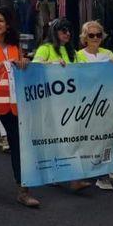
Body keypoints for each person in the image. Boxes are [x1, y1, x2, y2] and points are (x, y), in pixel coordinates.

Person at [0, 7, 38, 207]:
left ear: (8, 23)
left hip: (11, 102)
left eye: (0, 21)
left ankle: (23, 189)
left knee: (18, 145)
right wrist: (3, 64)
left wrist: (23, 63)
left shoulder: (15, 44)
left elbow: (19, 68)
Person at [33, 19, 94, 192]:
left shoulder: (72, 51)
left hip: (70, 102)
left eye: (69, 31)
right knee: (56, 139)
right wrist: (51, 65)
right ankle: (56, 173)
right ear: (55, 31)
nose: (67, 34)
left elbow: (84, 69)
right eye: (63, 30)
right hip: (51, 102)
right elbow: (35, 68)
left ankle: (73, 178)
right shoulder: (45, 49)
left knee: (71, 139)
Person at [75, 20, 113, 190]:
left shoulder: (108, 53)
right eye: (91, 35)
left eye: (98, 35)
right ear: (85, 37)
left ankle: (103, 173)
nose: (95, 38)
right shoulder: (78, 55)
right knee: (86, 139)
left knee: (106, 139)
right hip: (86, 104)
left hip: (105, 103)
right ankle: (83, 170)